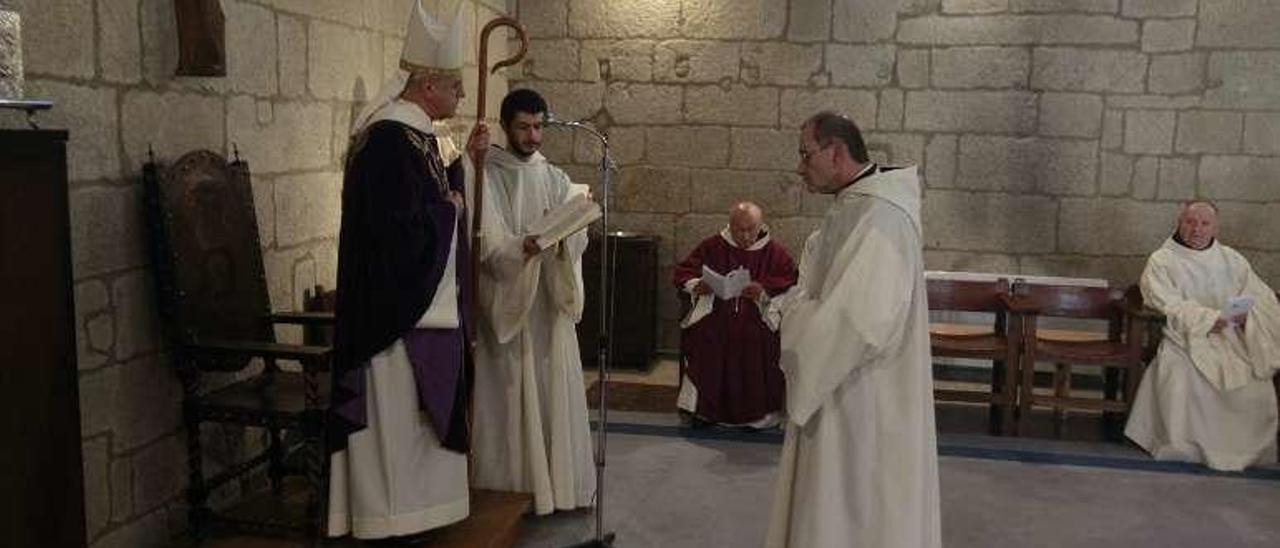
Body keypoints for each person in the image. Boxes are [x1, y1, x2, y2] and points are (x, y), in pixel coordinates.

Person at [325, 0, 490, 539]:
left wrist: (463, 167)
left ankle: (418, 513)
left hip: (414, 304)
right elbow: (394, 229)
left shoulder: (415, 137)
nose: (460, 96)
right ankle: (388, 517)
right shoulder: (389, 141)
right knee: (395, 421)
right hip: (391, 313)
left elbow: (434, 195)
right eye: (454, 87)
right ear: (426, 85)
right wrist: (448, 211)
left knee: (413, 423)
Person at [765, 111, 941, 548]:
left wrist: (792, 315)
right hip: (838, 384)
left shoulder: (883, 218)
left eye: (806, 154)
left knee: (857, 507)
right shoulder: (855, 205)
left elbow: (856, 322)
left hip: (862, 395)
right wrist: (801, 306)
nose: (800, 166)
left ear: (837, 151)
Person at [470, 88, 595, 515]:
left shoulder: (556, 177)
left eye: (539, 126)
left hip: (548, 299)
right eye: (523, 126)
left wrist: (573, 227)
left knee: (551, 391)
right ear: (506, 127)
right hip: (514, 299)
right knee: (512, 392)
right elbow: (487, 242)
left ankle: (558, 488)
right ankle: (510, 491)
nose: (533, 135)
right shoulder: (487, 174)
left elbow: (574, 239)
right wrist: (517, 249)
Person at [1125, 200, 1280, 471]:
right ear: (1179, 223)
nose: (1197, 229)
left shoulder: (1233, 259)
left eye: (1204, 223)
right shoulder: (1162, 260)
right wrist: (1209, 320)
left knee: (1255, 382)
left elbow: (1262, 298)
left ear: (1215, 227)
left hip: (1232, 338)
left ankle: (1246, 451)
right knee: (1186, 374)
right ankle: (1186, 448)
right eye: (1190, 222)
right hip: (1187, 336)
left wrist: (1248, 316)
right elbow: (1164, 301)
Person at [673, 202, 797, 429]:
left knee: (759, 341)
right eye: (739, 229)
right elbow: (684, 271)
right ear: (730, 225)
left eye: (751, 229)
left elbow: (790, 283)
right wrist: (697, 285)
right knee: (707, 337)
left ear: (761, 225)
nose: (745, 235)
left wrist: (763, 291)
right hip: (716, 313)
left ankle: (758, 415)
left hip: (758, 318)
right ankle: (706, 411)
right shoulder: (713, 246)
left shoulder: (775, 253)